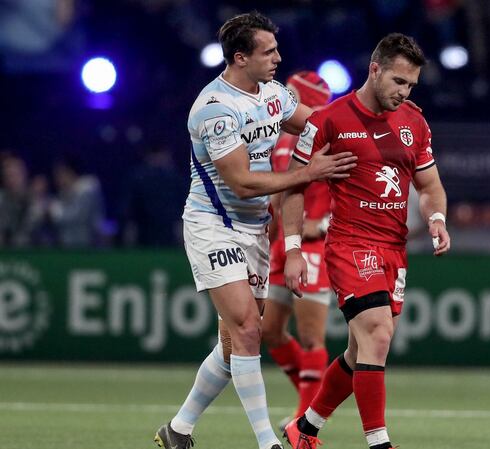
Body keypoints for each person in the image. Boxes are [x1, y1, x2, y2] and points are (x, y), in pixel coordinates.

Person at [153, 12, 357, 449]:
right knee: (248, 329)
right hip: (214, 225)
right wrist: (309, 173)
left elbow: (320, 124)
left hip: (256, 230)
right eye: (269, 52)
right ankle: (269, 443)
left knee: (234, 344)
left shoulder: (273, 95)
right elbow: (242, 181)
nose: (279, 58)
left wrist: (373, 124)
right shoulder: (216, 109)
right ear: (240, 58)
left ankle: (178, 430)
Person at [281, 33, 450, 449]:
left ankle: (304, 429)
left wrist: (437, 219)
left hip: (395, 249)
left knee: (360, 353)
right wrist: (293, 249)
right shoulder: (328, 120)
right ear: (374, 70)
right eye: (397, 81)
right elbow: (293, 187)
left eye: (410, 85)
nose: (403, 92)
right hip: (351, 244)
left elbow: (429, 185)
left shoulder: (414, 122)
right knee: (377, 335)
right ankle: (379, 443)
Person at [262, 71, 334, 426]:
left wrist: (321, 224)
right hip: (281, 243)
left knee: (310, 337)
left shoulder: (329, 139)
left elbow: (356, 190)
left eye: (292, 94)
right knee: (269, 330)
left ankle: (305, 420)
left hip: (313, 247)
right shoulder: (281, 138)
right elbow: (279, 191)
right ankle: (311, 405)